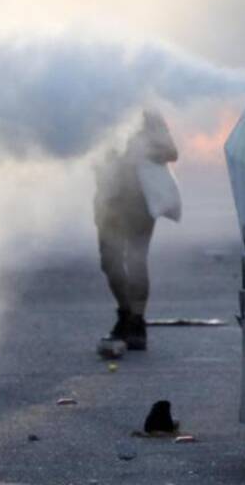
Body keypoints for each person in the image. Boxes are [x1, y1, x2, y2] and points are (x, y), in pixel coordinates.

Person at [94, 109, 179, 356]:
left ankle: (137, 322)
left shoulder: (148, 115)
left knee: (136, 260)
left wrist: (140, 154)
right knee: (110, 263)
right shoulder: (92, 108)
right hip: (108, 201)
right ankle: (125, 313)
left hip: (138, 203)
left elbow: (172, 152)